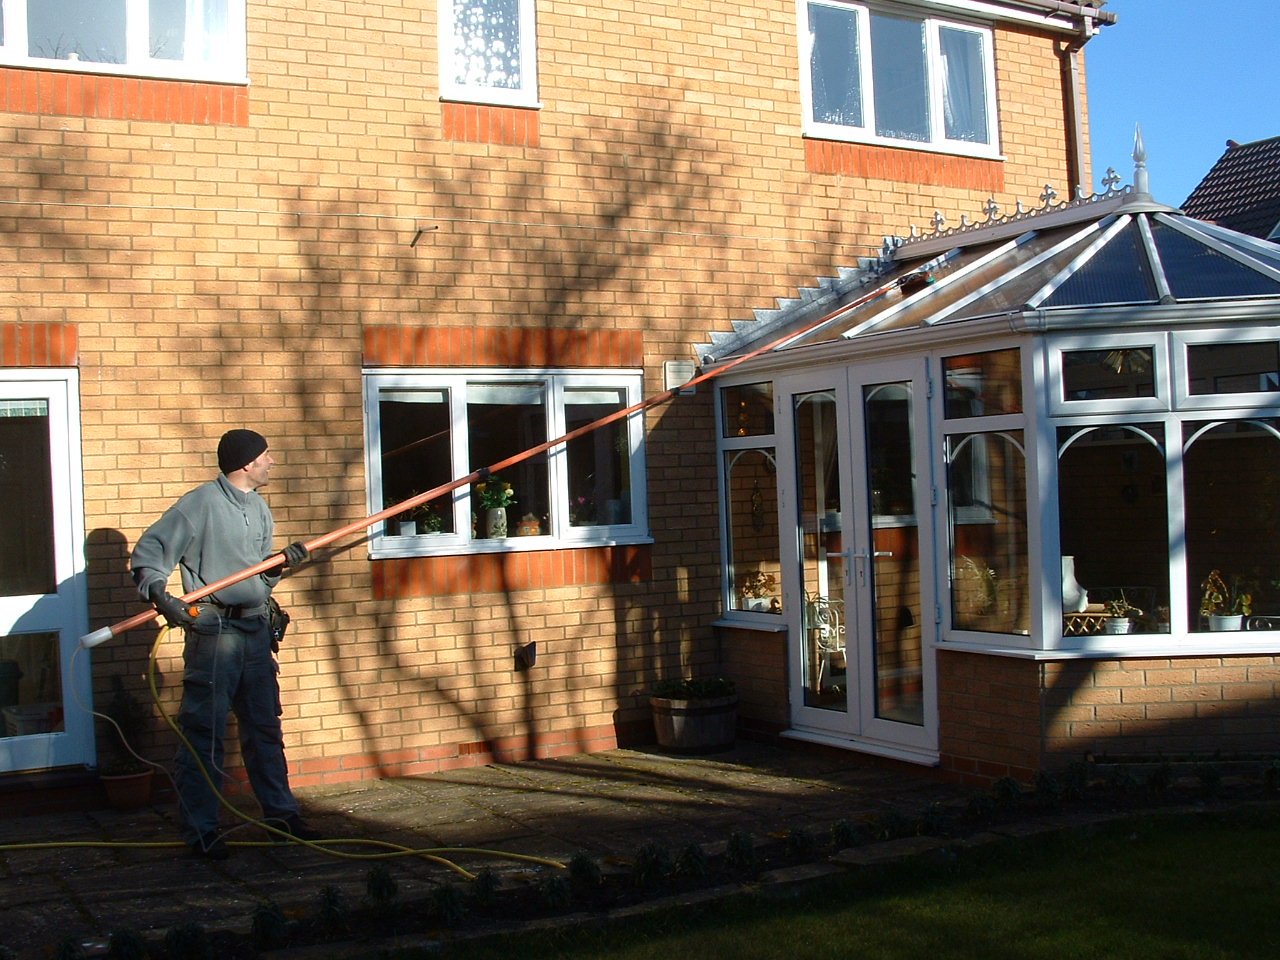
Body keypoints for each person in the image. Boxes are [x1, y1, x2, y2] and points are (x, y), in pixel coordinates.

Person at [131, 428, 318, 859]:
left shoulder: (259, 508)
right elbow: (148, 555)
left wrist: (277, 567)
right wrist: (162, 596)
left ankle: (281, 817)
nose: (272, 462)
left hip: (255, 633)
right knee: (205, 735)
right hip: (214, 636)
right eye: (266, 456)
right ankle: (202, 829)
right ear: (247, 463)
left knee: (264, 730)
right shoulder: (199, 506)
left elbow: (252, 575)